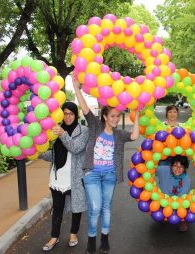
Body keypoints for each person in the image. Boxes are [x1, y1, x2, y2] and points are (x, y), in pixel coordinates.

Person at [72, 75, 140, 254]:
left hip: (110, 175)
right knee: (95, 208)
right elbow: (85, 108)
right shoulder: (95, 126)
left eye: (118, 116)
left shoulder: (118, 134)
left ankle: (105, 239)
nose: (116, 119)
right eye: (113, 116)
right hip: (92, 174)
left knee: (106, 208)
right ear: (104, 116)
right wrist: (76, 87)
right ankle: (91, 240)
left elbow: (134, 136)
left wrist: (138, 113)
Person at [39, 101, 89, 251]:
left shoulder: (83, 130)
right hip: (57, 176)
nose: (67, 117)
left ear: (76, 114)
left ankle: (73, 234)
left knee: (76, 207)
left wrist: (63, 134)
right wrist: (37, 152)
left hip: (74, 177)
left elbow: (76, 148)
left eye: (71, 113)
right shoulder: (56, 130)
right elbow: (53, 155)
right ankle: (54, 236)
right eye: (65, 113)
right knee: (57, 208)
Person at [156, 155, 191, 231]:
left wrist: (173, 206)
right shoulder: (164, 170)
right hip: (163, 199)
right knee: (158, 210)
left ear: (184, 168)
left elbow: (181, 197)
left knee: (186, 203)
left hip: (178, 201)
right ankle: (164, 214)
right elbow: (150, 170)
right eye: (175, 166)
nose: (177, 169)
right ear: (171, 165)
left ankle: (182, 220)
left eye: (181, 167)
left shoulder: (186, 179)